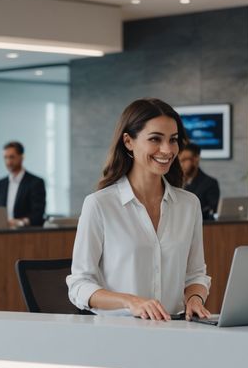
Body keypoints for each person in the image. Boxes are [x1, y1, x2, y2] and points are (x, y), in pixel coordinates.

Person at [66, 98, 211, 321]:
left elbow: (195, 275)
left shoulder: (188, 204)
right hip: (117, 335)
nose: (167, 149)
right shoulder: (100, 204)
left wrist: (194, 299)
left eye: (173, 140)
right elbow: (79, 285)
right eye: (155, 139)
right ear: (128, 142)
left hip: (176, 331)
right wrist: (130, 301)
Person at [0, 141, 46, 228]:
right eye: (5, 158)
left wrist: (20, 222)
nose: (8, 162)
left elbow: (38, 213)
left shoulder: (36, 182)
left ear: (21, 157)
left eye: (12, 157)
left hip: (25, 233)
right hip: (1, 233)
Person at [179, 142, 220, 220]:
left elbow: (211, 212)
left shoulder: (210, 183)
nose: (181, 164)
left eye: (184, 160)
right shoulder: (174, 182)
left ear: (196, 159)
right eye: (179, 160)